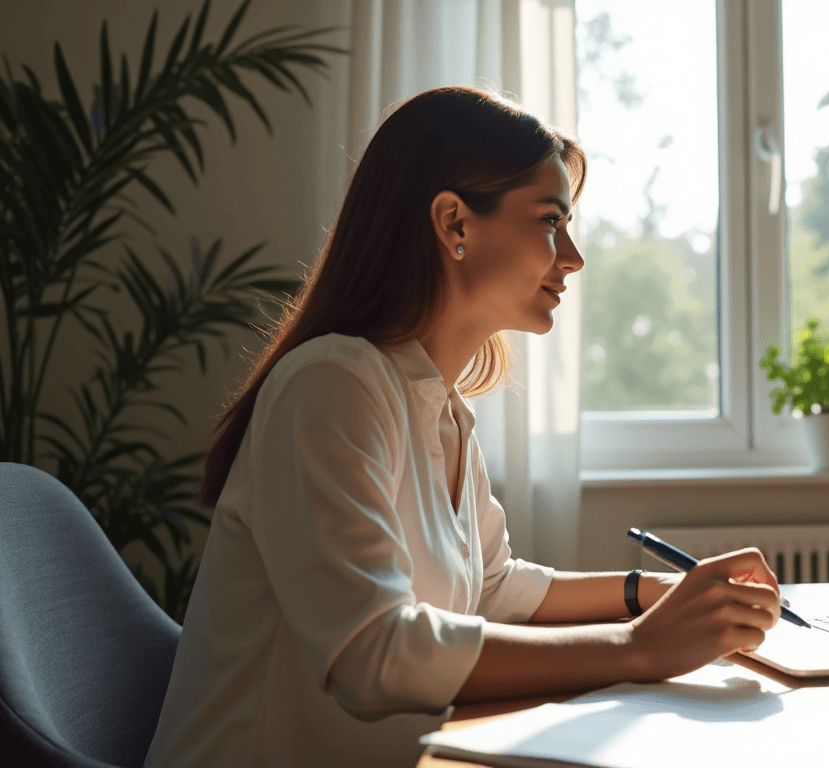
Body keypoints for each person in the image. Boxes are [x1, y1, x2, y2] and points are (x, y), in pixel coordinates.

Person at [144, 86, 782, 768]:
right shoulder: (330, 386)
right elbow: (374, 652)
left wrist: (651, 597)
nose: (572, 256)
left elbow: (492, 590)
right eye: (549, 222)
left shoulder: (437, 405)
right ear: (454, 223)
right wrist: (641, 648)